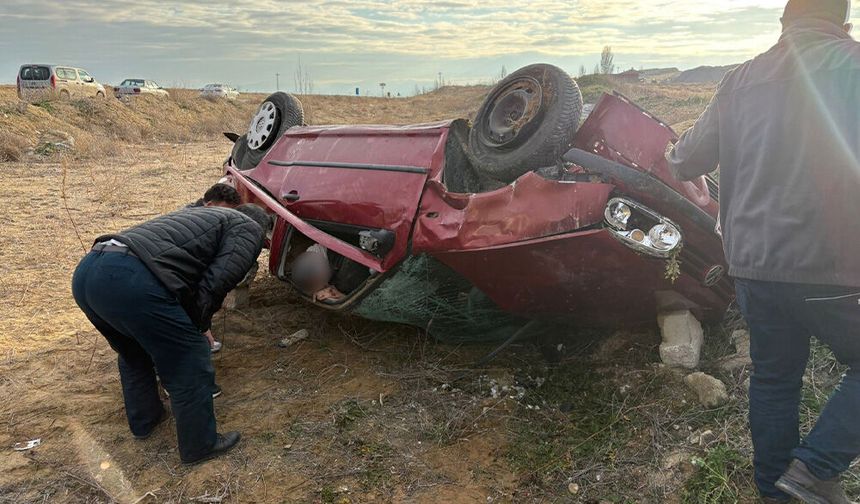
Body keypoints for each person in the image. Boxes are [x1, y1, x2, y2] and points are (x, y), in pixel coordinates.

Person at [667, 1, 859, 502]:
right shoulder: (854, 64)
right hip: (832, 265)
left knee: (775, 378)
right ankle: (815, 471)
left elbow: (686, 161)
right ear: (844, 23)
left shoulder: (739, 80)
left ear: (782, 26)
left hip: (752, 266)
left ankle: (776, 493)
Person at [71, 204, 270, 464]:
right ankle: (200, 445)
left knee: (134, 352)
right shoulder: (248, 228)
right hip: (130, 279)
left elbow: (180, 271)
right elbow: (217, 282)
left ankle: (145, 420)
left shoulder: (206, 215)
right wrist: (198, 328)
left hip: (89, 271)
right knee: (189, 357)